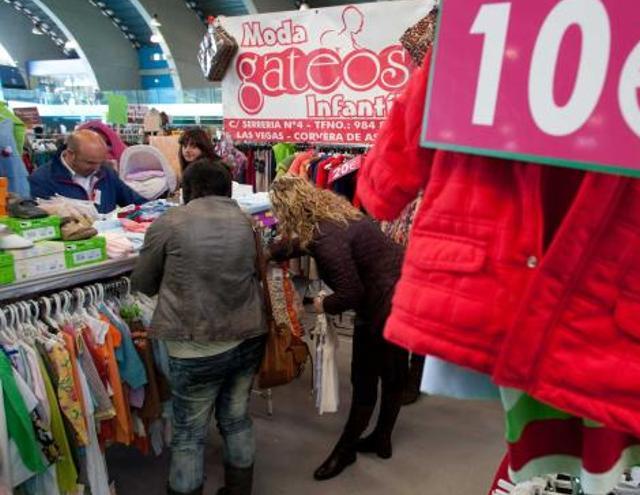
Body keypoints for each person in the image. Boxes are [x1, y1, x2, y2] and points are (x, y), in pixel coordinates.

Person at [131, 159, 267, 495]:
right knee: (236, 418)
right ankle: (239, 489)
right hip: (249, 334)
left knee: (189, 433)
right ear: (227, 188)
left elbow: (144, 283)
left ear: (188, 189)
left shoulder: (169, 223)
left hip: (195, 344)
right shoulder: (248, 222)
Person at [269, 175, 408, 481]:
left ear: (289, 212)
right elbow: (303, 243)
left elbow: (351, 293)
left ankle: (345, 451)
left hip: (381, 305)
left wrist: (322, 304)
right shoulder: (335, 212)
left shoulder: (324, 237)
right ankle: (382, 439)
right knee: (394, 372)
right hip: (405, 291)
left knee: (365, 377)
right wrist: (274, 252)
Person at [28, 129, 146, 214]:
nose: (97, 167)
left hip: (109, 242)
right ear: (70, 155)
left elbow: (134, 201)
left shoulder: (106, 172)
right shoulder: (42, 179)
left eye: (100, 162)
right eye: (90, 163)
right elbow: (40, 221)